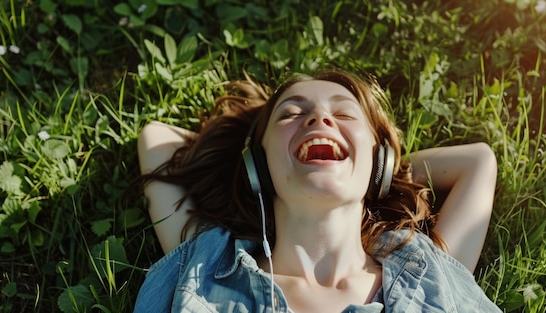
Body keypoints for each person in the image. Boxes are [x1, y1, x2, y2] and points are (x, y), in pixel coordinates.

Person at [134, 69, 501, 312]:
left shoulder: (429, 270)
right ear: (257, 166)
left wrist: (386, 169)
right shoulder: (208, 263)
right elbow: (156, 138)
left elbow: (479, 161)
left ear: (380, 163)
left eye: (343, 115)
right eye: (291, 114)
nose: (319, 119)